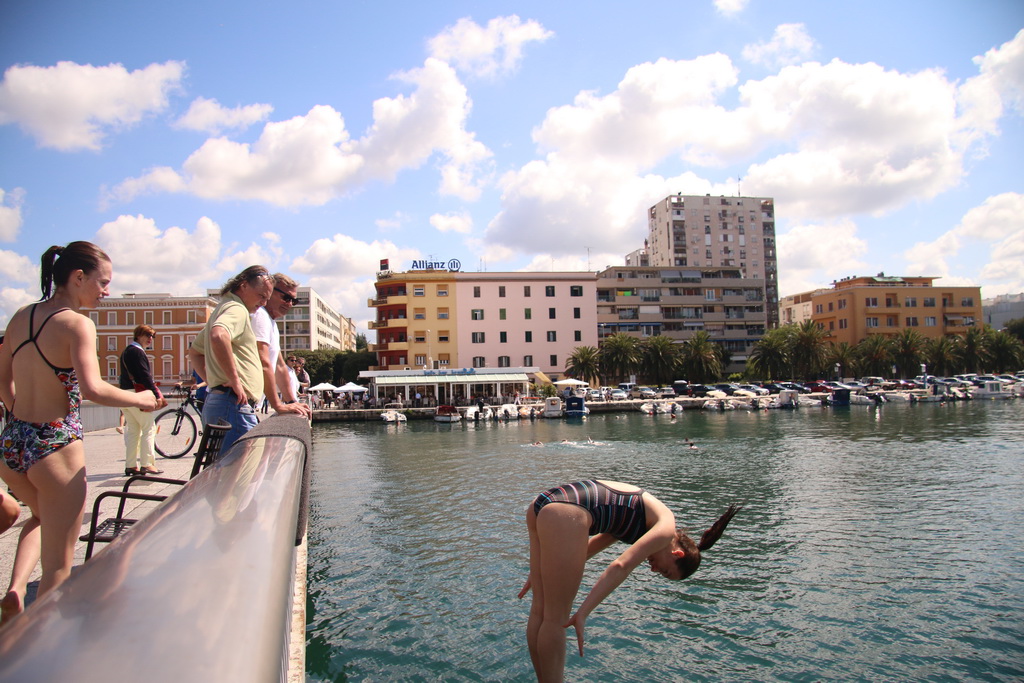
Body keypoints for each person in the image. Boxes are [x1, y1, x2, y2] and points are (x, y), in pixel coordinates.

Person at [0, 241, 160, 624]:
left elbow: (2, 381)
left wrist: (18, 414)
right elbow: (92, 389)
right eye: (103, 283)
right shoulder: (77, 323)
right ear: (77, 278)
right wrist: (141, 399)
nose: (106, 291)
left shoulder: (21, 316)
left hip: (13, 444)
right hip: (56, 448)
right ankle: (40, 652)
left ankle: (15, 591)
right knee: (58, 569)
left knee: (40, 518)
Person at [521, 479, 740, 681]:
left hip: (545, 503)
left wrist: (545, 565)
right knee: (556, 619)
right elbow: (621, 565)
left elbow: (586, 550)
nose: (654, 570)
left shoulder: (642, 521)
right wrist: (583, 613)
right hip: (566, 512)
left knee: (540, 611)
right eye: (665, 572)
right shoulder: (665, 528)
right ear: (677, 554)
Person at [188, 265, 273, 453]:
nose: (264, 303)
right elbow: (219, 335)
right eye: (261, 296)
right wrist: (234, 380)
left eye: (267, 299)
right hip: (232, 405)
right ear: (243, 285)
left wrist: (213, 381)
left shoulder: (222, 308)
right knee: (246, 471)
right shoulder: (237, 309)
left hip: (222, 401)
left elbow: (194, 352)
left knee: (228, 473)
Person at [250, 275, 311, 421]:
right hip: (236, 403)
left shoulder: (271, 322)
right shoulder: (260, 316)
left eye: (293, 301)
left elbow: (279, 366)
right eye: (286, 297)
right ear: (269, 291)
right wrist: (278, 405)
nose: (289, 304)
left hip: (243, 404)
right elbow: (263, 362)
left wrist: (292, 402)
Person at [119, 324, 168, 476]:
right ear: (138, 335)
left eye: (152, 336)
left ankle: (131, 465)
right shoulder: (137, 352)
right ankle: (147, 464)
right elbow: (144, 375)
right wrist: (156, 393)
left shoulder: (127, 351)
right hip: (136, 394)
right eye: (147, 335)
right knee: (149, 427)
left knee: (133, 430)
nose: (150, 339)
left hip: (125, 394)